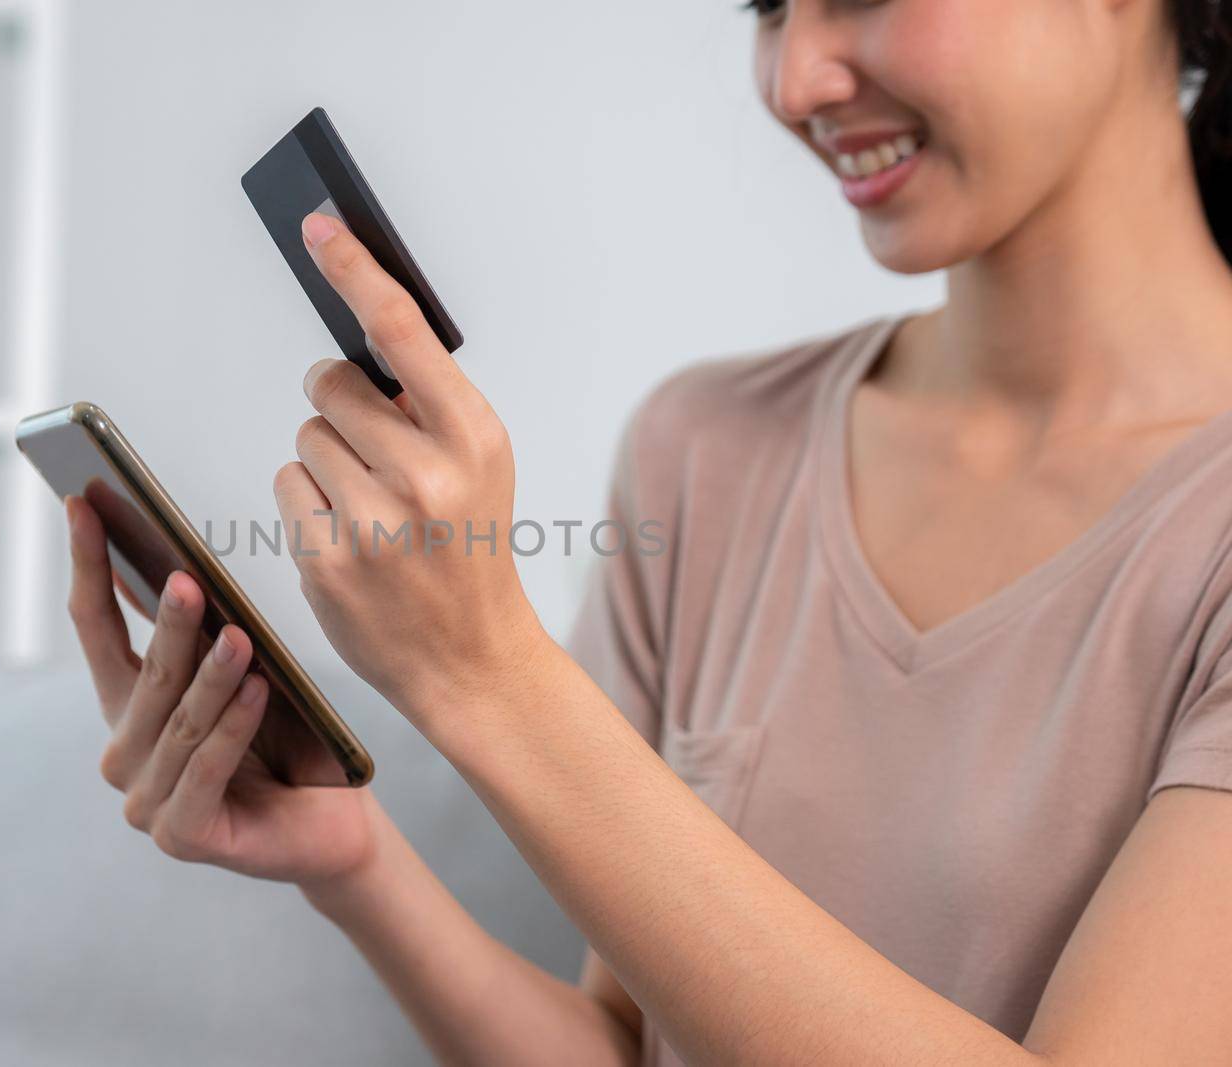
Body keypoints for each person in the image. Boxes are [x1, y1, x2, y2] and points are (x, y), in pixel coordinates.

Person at [62, 0, 1232, 1060]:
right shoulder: (708, 449)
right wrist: (355, 864)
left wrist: (486, 670)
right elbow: (626, 1047)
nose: (793, 82)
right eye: (768, 9)